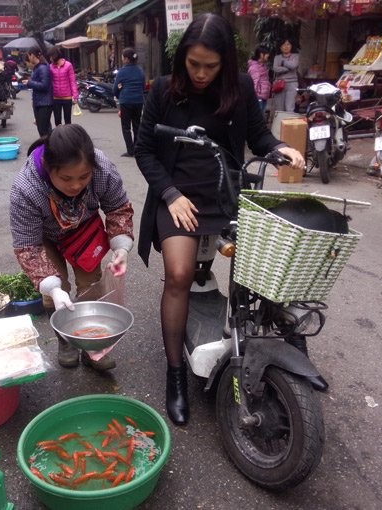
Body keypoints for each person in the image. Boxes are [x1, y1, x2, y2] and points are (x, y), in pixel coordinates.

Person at [134, 13, 304, 426]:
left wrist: (280, 148)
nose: (202, 74)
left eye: (211, 66)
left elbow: (255, 137)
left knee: (266, 264)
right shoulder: (162, 90)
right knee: (178, 273)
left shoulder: (241, 86)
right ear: (183, 60)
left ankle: (267, 343)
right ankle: (176, 373)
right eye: (194, 64)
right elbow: (144, 151)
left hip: (226, 192)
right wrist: (170, 194)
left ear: (226, 62)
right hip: (178, 195)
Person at [10, 124, 134, 371]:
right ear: (47, 166)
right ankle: (65, 339)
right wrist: (53, 288)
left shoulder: (101, 167)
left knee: (91, 284)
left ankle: (93, 346)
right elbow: (28, 247)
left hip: (83, 228)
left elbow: (117, 207)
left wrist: (121, 247)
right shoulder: (26, 188)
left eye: (83, 177)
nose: (76, 185)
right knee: (58, 290)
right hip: (44, 236)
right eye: (66, 178)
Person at [113, 47, 145, 158]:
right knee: (137, 125)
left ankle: (130, 151)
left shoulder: (122, 72)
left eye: (122, 56)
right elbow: (143, 86)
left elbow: (115, 89)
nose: (121, 58)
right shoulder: (140, 70)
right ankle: (137, 149)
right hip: (139, 101)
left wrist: (119, 95)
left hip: (126, 101)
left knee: (126, 127)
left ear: (126, 59)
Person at [23, 47, 53, 137]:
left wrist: (30, 82)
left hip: (45, 103)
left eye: (28, 56)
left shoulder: (43, 68)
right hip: (38, 103)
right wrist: (27, 83)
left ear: (32, 56)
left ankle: (48, 148)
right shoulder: (36, 68)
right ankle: (49, 148)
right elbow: (36, 83)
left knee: (43, 131)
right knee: (44, 129)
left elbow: (44, 86)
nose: (28, 58)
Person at [48, 47, 78, 126]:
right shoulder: (50, 67)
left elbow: (72, 81)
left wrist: (75, 96)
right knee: (57, 120)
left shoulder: (68, 65)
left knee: (67, 120)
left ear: (55, 56)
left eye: (51, 56)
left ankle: (67, 137)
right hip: (55, 98)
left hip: (67, 97)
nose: (50, 58)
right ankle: (59, 137)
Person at [272, 38, 300, 113]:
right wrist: (289, 68)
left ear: (291, 46)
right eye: (284, 45)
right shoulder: (277, 57)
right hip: (279, 84)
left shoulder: (295, 56)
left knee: (289, 108)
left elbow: (294, 65)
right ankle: (279, 124)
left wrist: (283, 63)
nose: (286, 46)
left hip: (292, 84)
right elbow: (276, 69)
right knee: (279, 109)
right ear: (280, 47)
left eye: (288, 44)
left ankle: (288, 124)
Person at [247, 45, 272, 116]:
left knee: (261, 117)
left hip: (263, 96)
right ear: (261, 54)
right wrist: (255, 97)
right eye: (267, 53)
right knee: (257, 117)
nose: (268, 55)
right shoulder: (255, 67)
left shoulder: (263, 66)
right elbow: (254, 83)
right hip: (258, 97)